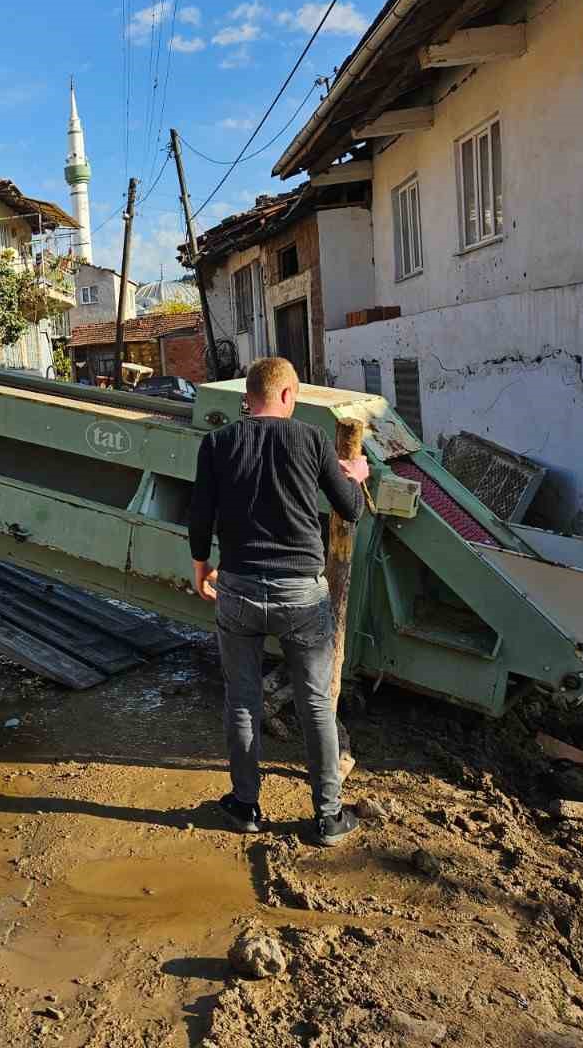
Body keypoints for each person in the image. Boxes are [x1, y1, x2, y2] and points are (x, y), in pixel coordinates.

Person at [188, 355, 369, 846]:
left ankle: (245, 806)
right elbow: (349, 511)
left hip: (240, 589)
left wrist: (202, 568)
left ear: (248, 398)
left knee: (242, 701)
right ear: (289, 396)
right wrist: (355, 472)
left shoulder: (218, 443)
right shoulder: (310, 439)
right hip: (302, 595)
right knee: (315, 706)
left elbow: (200, 513)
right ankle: (328, 817)